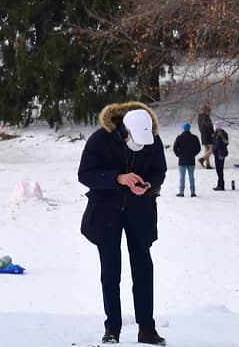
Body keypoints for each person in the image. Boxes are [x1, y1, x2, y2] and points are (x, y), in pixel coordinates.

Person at [78, 102, 167, 346]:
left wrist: (148, 186)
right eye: (135, 141)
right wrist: (117, 178)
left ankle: (147, 328)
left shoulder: (153, 140)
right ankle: (112, 328)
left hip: (140, 211)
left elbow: (160, 171)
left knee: (144, 270)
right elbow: (85, 174)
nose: (140, 146)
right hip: (106, 212)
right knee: (110, 271)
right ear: (124, 131)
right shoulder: (100, 140)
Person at [172, 122, 200, 197]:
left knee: (182, 177)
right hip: (191, 160)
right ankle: (193, 192)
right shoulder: (194, 137)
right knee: (191, 176)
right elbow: (198, 148)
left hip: (182, 160)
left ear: (183, 129)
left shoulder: (179, 137)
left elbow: (175, 148)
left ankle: (181, 192)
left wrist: (179, 155)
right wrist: (194, 154)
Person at [197, 103, 215, 169]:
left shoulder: (199, 117)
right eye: (209, 111)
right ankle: (202, 159)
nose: (210, 113)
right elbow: (209, 126)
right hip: (208, 134)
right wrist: (212, 133)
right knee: (212, 148)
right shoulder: (206, 117)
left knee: (206, 149)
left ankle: (208, 164)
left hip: (203, 134)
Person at [212, 125, 229, 192]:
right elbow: (226, 143)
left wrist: (214, 150)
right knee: (220, 170)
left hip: (218, 154)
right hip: (222, 154)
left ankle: (221, 185)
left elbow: (216, 145)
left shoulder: (218, 136)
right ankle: (220, 184)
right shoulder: (224, 134)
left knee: (219, 170)